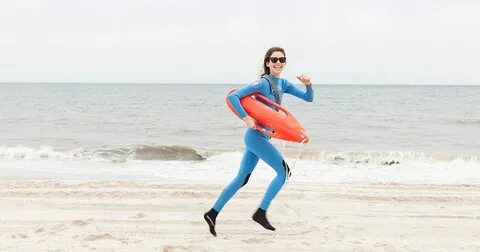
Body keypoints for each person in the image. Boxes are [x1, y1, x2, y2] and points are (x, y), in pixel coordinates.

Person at [204, 46, 314, 237]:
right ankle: (261, 212)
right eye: (274, 60)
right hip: (255, 136)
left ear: (285, 62)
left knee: (242, 179)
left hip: (262, 136)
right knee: (284, 172)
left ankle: (212, 213)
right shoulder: (262, 83)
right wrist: (246, 118)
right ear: (267, 63)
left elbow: (308, 98)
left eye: (282, 59)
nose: (278, 63)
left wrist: (308, 84)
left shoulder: (284, 84)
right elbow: (233, 96)